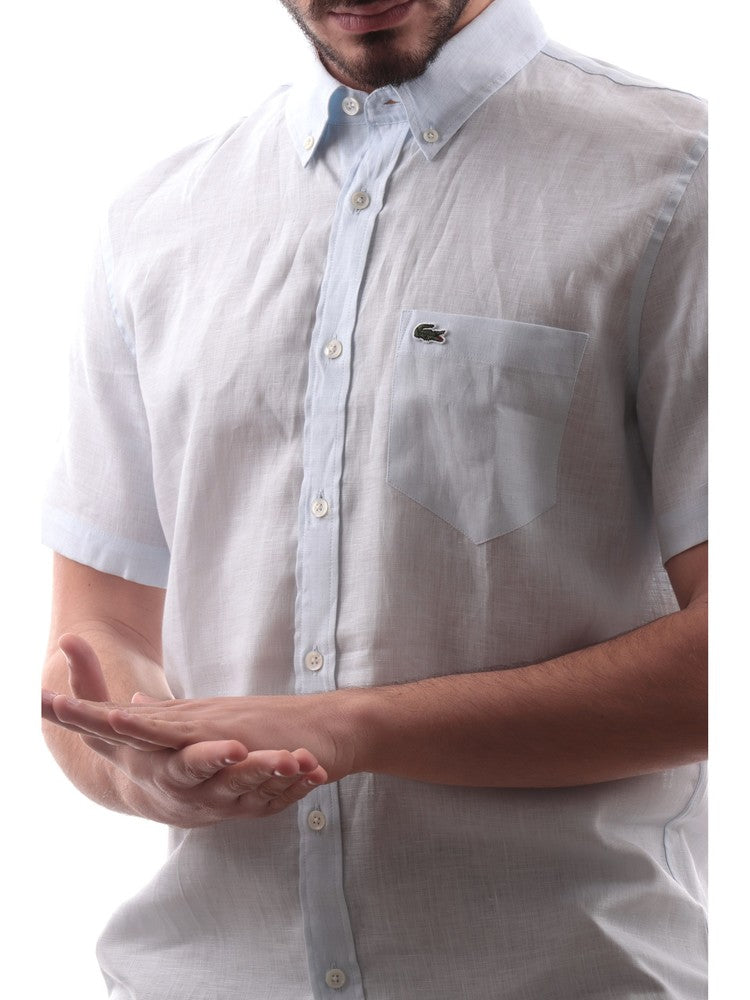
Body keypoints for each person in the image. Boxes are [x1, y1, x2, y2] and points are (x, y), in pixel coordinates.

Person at [41, 1, 707, 997]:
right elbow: (98, 633)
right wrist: (141, 759)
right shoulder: (153, 223)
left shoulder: (680, 178)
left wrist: (351, 728)